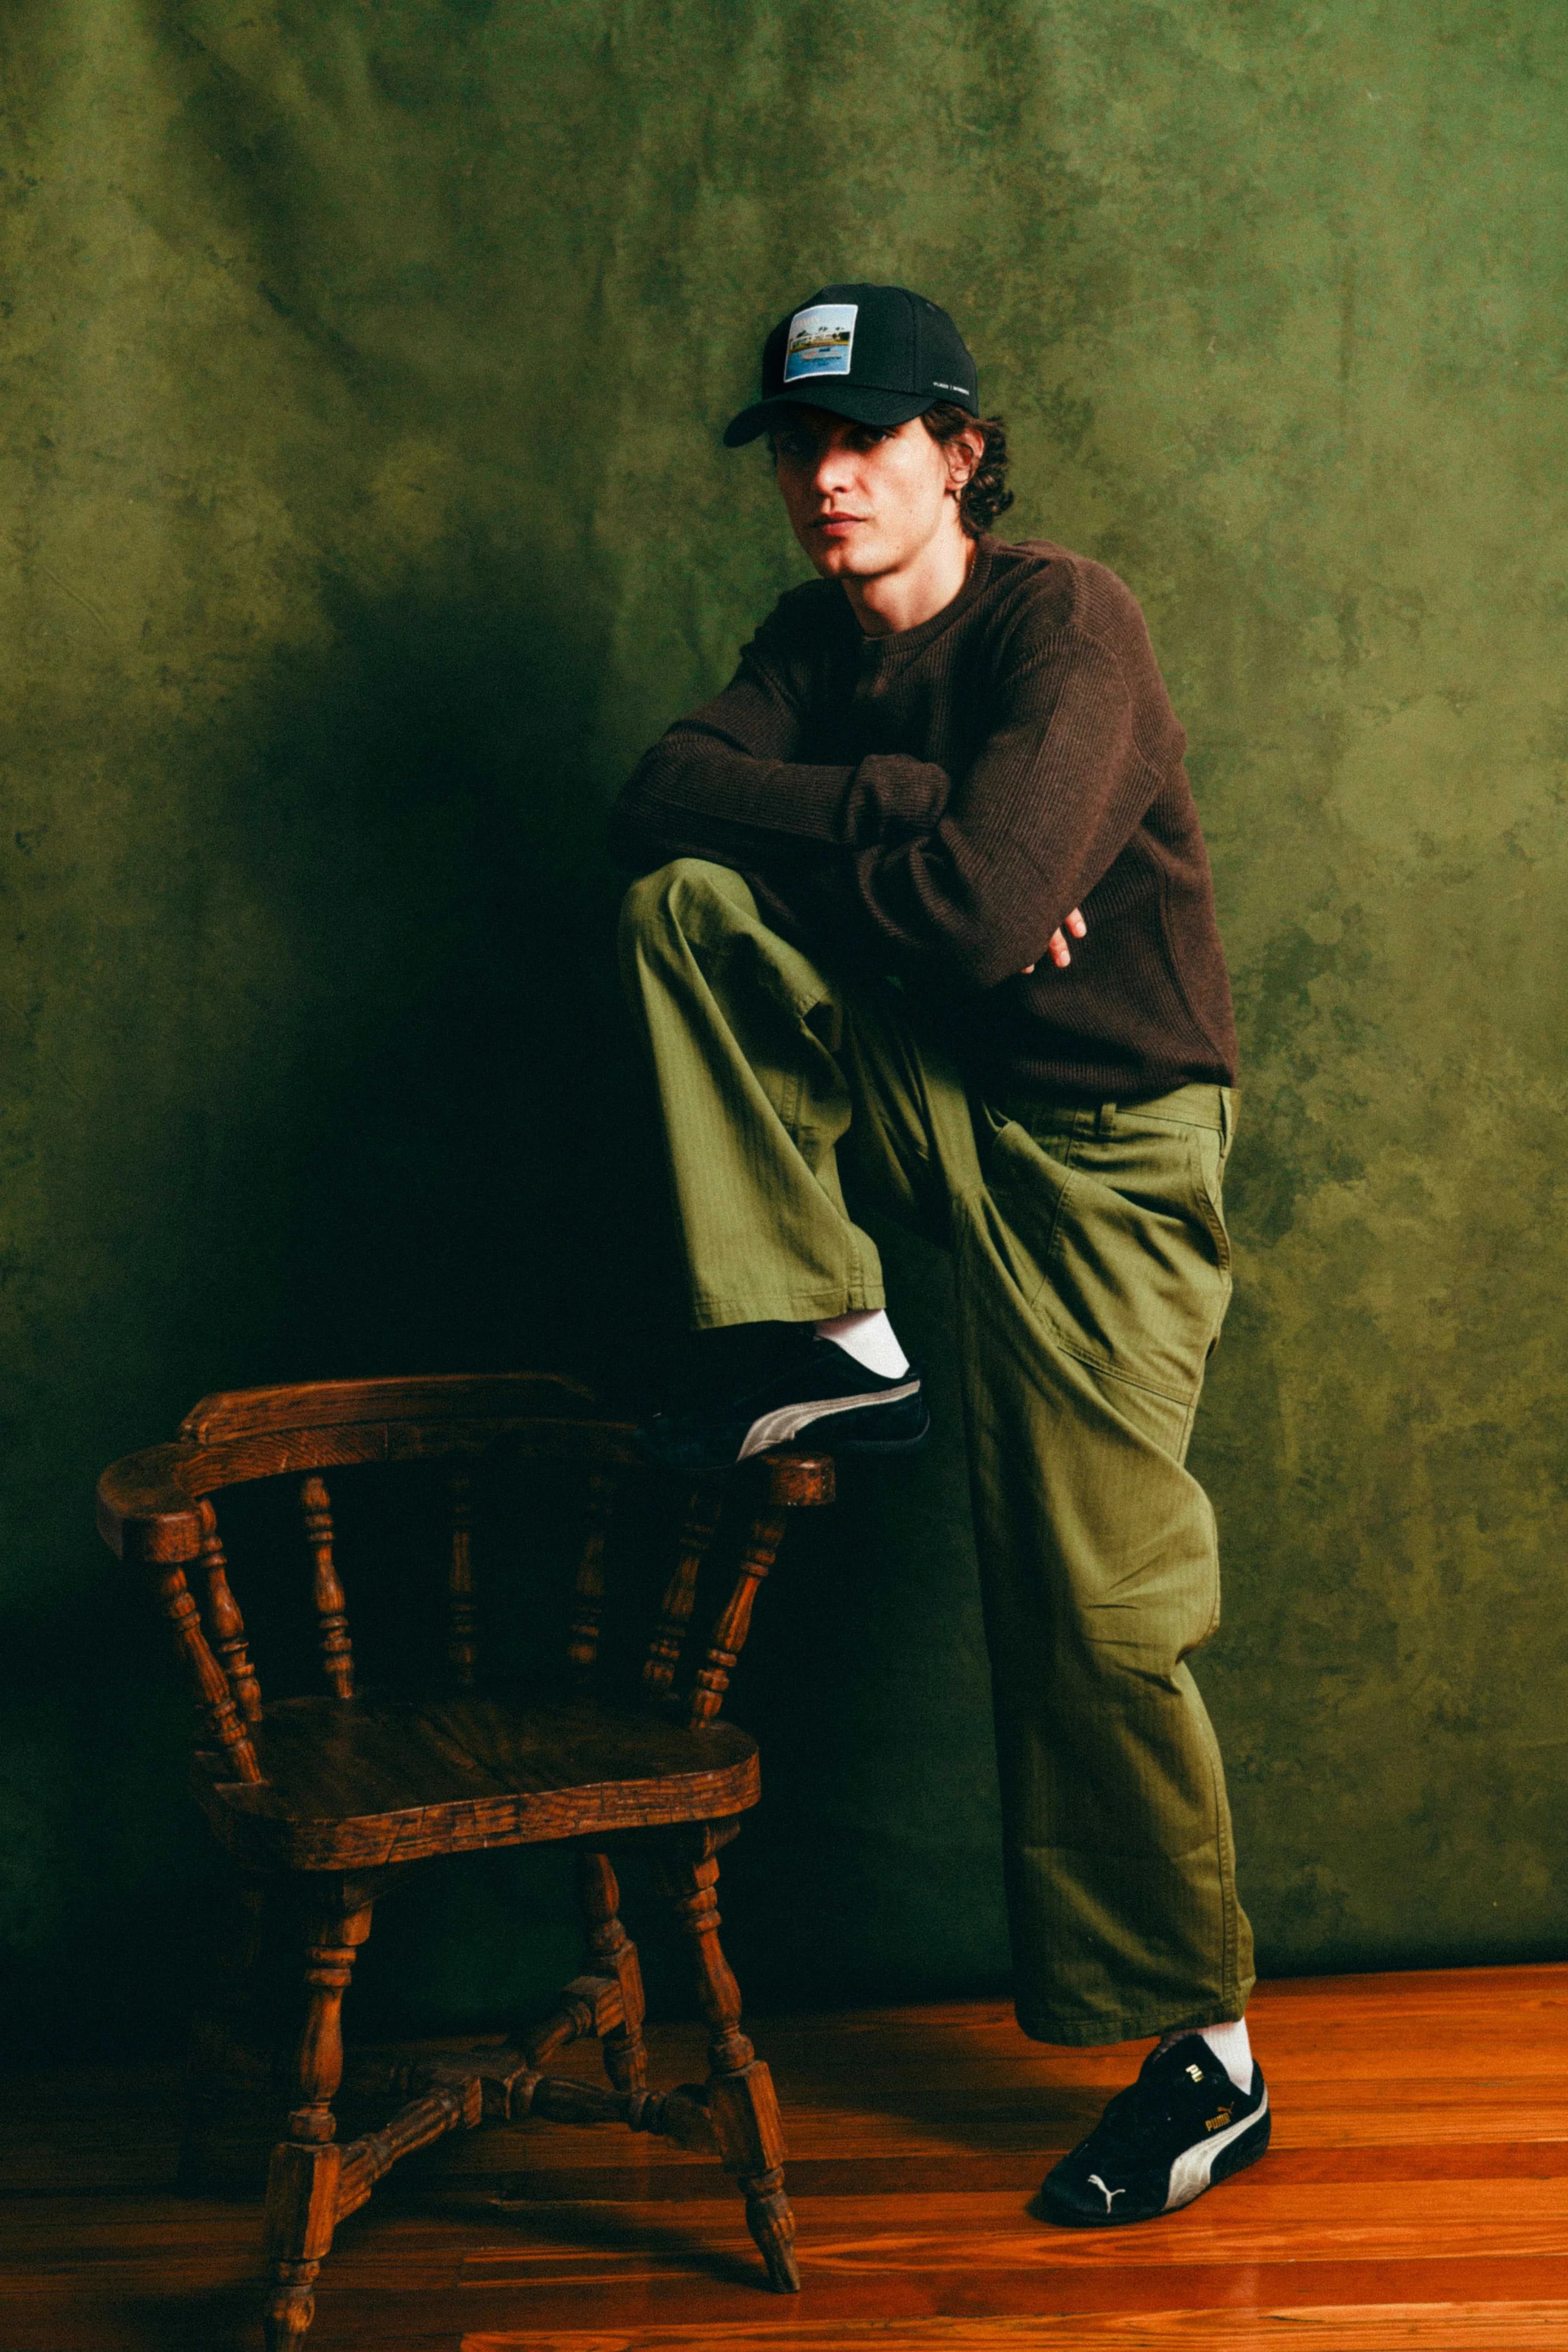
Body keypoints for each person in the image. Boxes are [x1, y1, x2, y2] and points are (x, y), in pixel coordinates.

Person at [608, 281, 1268, 2226]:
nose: (829, 478)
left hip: (1110, 1150)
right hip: (936, 1086)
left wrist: (952, 874)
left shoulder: (1066, 619)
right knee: (685, 906)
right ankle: (833, 1329)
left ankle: (1210, 2065)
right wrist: (908, 809)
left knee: (1098, 1608)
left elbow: (992, 921)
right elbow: (663, 802)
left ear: (961, 454)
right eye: (801, 446)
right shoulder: (810, 650)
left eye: (871, 439)